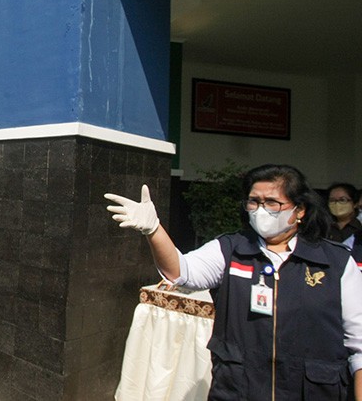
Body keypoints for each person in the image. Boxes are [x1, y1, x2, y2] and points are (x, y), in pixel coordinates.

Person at [105, 164, 362, 400]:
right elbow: (182, 272)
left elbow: (359, 347)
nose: (261, 210)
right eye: (254, 202)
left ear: (300, 210)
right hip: (240, 389)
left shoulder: (335, 262)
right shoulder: (231, 249)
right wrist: (154, 230)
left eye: (272, 202)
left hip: (312, 391)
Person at [326, 182, 362, 247]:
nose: (337, 204)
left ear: (355, 203)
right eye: (332, 200)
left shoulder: (359, 227)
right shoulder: (323, 226)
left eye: (342, 200)